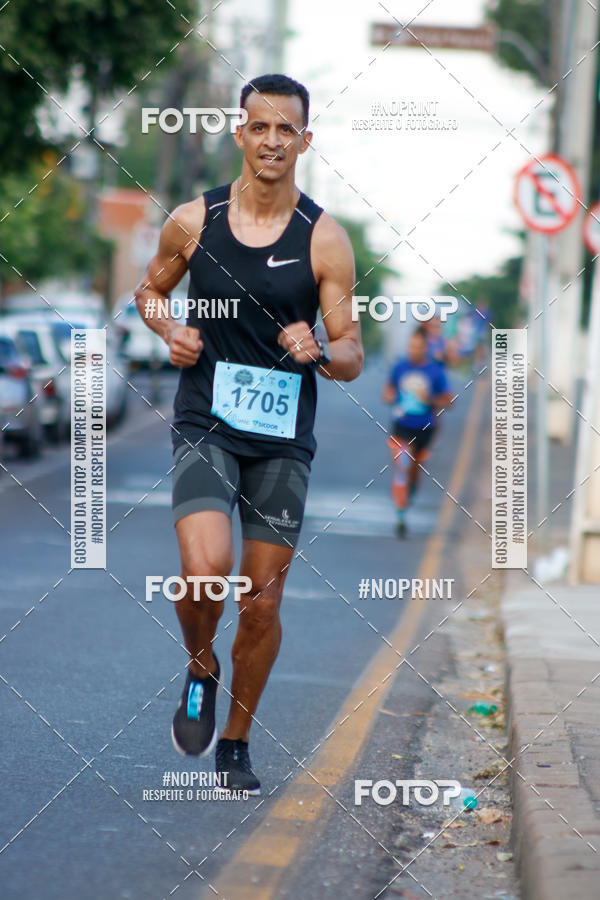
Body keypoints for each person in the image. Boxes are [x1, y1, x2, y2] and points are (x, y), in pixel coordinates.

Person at [134, 74, 363, 795]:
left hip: (282, 441)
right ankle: (201, 664)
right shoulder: (194, 222)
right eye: (258, 127)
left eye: (285, 130)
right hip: (207, 422)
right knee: (204, 572)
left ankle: (236, 740)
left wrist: (321, 352)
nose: (272, 141)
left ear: (304, 140)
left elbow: (352, 350)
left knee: (261, 602)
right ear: (239, 134)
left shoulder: (323, 237)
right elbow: (149, 289)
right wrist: (169, 327)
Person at [383, 328, 450, 537]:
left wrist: (429, 399)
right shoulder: (399, 367)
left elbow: (448, 400)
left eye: (418, 347)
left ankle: (409, 493)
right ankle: (400, 514)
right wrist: (391, 395)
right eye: (411, 346)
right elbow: (387, 392)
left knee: (414, 470)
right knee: (402, 466)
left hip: (424, 429)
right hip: (401, 426)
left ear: (425, 348)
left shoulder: (435, 372)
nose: (414, 350)